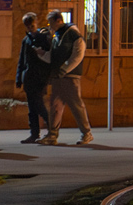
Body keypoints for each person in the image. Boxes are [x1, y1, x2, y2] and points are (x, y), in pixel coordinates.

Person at [39, 10, 92, 146]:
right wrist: (41, 54)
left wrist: (65, 69)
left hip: (70, 76)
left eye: (51, 23)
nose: (50, 26)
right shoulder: (58, 35)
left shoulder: (73, 34)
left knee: (76, 105)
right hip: (58, 76)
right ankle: (52, 135)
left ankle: (86, 133)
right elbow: (53, 55)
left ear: (59, 21)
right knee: (55, 106)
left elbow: (78, 55)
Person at [15, 12, 53, 143]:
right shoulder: (26, 40)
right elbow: (22, 60)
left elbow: (49, 56)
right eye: (27, 25)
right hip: (29, 77)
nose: (30, 27)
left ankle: (51, 126)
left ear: (35, 23)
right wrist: (18, 77)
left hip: (40, 77)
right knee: (32, 107)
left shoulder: (43, 38)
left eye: (31, 24)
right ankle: (34, 133)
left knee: (38, 104)